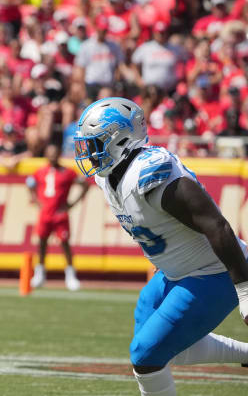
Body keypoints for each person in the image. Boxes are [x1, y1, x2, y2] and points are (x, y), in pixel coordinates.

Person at [74, 97, 248, 396]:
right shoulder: (109, 176)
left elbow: (216, 225)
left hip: (213, 272)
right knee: (162, 345)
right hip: (177, 272)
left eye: (96, 142)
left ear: (121, 140)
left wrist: (244, 289)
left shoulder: (151, 172)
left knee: (146, 356)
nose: (89, 151)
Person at [26, 143, 88, 291]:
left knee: (64, 244)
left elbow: (84, 184)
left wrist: (72, 204)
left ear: (59, 153)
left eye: (54, 153)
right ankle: (40, 273)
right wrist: (35, 200)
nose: (52, 156)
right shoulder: (40, 171)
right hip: (45, 214)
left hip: (60, 214)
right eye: (49, 153)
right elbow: (30, 183)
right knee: (41, 243)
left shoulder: (67, 172)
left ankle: (70, 275)